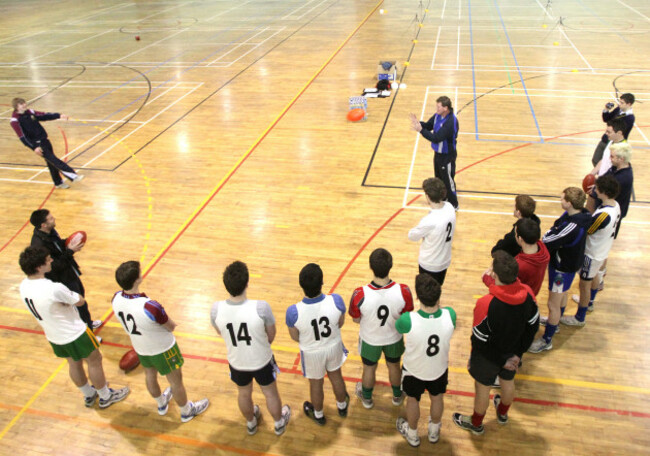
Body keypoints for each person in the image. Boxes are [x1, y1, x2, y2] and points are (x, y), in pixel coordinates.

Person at [18, 246, 129, 408]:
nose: (51, 261)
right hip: (74, 332)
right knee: (94, 361)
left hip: (53, 335)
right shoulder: (53, 288)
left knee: (73, 363)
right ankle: (105, 396)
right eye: (47, 260)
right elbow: (79, 300)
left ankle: (88, 394)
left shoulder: (23, 286)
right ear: (38, 267)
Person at [453, 251, 539, 435]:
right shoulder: (529, 295)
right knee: (508, 382)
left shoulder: (486, 303)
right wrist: (517, 355)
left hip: (488, 357)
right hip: (514, 353)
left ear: (495, 274)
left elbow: (479, 340)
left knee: (482, 387)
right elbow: (532, 327)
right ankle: (502, 413)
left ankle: (476, 424)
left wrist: (498, 360)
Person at [112, 261, 209, 422]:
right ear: (137, 280)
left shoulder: (115, 298)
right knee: (176, 382)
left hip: (140, 347)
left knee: (150, 375)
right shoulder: (149, 306)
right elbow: (170, 327)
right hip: (163, 349)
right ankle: (186, 411)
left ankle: (161, 403)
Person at [211, 261, 291, 435]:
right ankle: (278, 423)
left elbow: (220, 331)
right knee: (270, 393)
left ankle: (251, 422)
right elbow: (271, 334)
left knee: (244, 394)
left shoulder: (216, 309)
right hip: (261, 359)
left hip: (237, 361)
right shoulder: (261, 307)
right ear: (247, 283)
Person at [349, 248, 414, 409]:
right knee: (394, 366)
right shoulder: (403, 291)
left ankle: (367, 399)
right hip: (394, 338)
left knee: (369, 369)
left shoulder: (359, 294)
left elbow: (356, 319)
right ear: (390, 266)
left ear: (371, 267)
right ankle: (397, 396)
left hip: (370, 339)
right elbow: (406, 318)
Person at [528, 188, 592, 353]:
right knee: (562, 295)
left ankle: (546, 339)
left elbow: (548, 239)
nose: (560, 201)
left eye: (562, 199)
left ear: (569, 204)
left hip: (562, 269)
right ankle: (554, 323)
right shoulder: (580, 214)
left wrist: (551, 233)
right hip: (568, 265)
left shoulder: (572, 224)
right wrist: (554, 230)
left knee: (553, 304)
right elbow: (556, 227)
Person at [395, 274, 455, 447]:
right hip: (438, 369)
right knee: (437, 398)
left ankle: (412, 434)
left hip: (414, 370)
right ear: (438, 296)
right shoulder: (450, 314)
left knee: (412, 400)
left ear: (418, 297)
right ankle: (434, 432)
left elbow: (398, 327)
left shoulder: (408, 319)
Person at [286, 263, 350, 425]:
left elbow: (295, 337)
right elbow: (340, 323)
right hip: (333, 346)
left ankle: (319, 414)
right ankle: (342, 406)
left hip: (312, 352)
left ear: (301, 286)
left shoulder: (293, 312)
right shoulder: (336, 301)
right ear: (322, 282)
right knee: (337, 377)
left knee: (316, 384)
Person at [30, 209, 101, 338]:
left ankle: (88, 323)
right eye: (51, 219)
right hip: (62, 278)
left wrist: (68, 241)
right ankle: (89, 335)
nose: (54, 219)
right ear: (43, 225)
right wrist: (70, 251)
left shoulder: (50, 232)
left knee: (82, 298)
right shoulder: (39, 245)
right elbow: (53, 266)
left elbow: (58, 246)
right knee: (78, 305)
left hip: (69, 272)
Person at [563, 176, 620, 323]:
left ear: (603, 192)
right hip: (602, 250)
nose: (594, 190)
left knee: (584, 285)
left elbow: (588, 230)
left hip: (592, 253)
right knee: (594, 276)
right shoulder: (615, 205)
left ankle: (579, 317)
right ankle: (589, 302)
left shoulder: (603, 216)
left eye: (596, 188)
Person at [582, 142, 633, 293]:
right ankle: (598, 278)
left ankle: (598, 282)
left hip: (604, 230)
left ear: (622, 158)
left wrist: (595, 191)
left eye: (612, 156)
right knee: (601, 255)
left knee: (597, 260)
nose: (609, 159)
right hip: (610, 217)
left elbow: (589, 231)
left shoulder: (623, 178)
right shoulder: (618, 168)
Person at [10, 97, 84, 189]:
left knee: (51, 163)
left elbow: (44, 115)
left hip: (45, 140)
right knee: (54, 160)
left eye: (24, 103)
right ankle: (73, 175)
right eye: (21, 104)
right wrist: (34, 148)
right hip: (38, 145)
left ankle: (58, 183)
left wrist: (58, 115)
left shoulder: (30, 112)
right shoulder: (15, 121)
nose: (24, 105)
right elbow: (22, 137)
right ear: (16, 107)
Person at [409, 96, 460, 209]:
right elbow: (428, 125)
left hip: (447, 155)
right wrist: (419, 123)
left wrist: (420, 130)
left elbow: (436, 138)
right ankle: (443, 198)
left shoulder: (450, 122)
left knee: (448, 180)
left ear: (446, 108)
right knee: (438, 178)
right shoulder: (438, 115)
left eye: (438, 106)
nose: (436, 108)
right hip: (438, 153)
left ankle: (454, 204)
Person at [408, 177, 456, 286]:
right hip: (444, 261)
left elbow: (412, 236)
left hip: (430, 264)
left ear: (428, 196)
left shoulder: (429, 220)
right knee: (437, 291)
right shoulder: (449, 207)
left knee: (427, 295)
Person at [484, 218, 549, 297]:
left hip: (518, 298)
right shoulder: (543, 249)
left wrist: (487, 278)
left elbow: (506, 288)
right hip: (532, 292)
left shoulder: (520, 265)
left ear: (520, 238)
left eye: (515, 233)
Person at [591, 93, 635, 167]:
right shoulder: (618, 109)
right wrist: (606, 109)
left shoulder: (630, 118)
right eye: (619, 102)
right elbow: (606, 119)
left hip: (616, 145)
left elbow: (617, 129)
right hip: (606, 139)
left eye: (622, 103)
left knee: (610, 165)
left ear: (629, 104)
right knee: (595, 160)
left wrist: (614, 120)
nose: (619, 104)